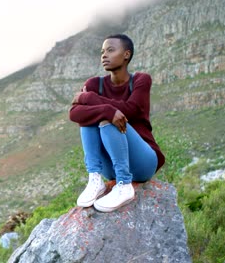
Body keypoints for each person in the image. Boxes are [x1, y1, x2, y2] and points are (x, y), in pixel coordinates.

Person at [69, 34, 165, 212]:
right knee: (89, 119)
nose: (104, 55)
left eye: (111, 50)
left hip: (142, 162)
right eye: (102, 52)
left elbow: (131, 110)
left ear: (126, 54)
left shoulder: (141, 80)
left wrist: (89, 98)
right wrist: (106, 110)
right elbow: (74, 113)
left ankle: (124, 185)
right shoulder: (94, 84)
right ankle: (95, 179)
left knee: (107, 119)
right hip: (110, 166)